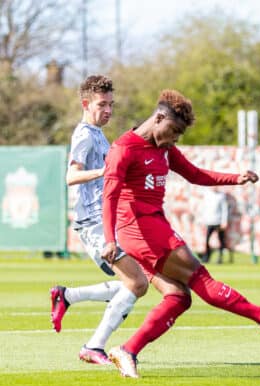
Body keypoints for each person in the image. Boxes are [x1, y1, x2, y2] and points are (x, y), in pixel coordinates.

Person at [101, 89, 260, 378]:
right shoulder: (124, 149)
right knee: (199, 277)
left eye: (178, 135)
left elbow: (195, 174)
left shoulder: (164, 149)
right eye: (173, 131)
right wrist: (109, 239)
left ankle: (128, 350)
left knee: (178, 297)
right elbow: (109, 195)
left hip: (151, 227)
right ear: (158, 118)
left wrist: (236, 178)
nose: (174, 139)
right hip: (139, 229)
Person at [50, 75, 190, 366]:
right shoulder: (85, 135)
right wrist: (104, 172)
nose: (108, 110)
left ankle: (67, 297)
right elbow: (70, 176)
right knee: (137, 283)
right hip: (92, 221)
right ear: (86, 104)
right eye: (102, 104)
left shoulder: (99, 134)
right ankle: (93, 345)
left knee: (137, 282)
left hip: (107, 220)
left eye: (111, 104)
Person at [201, 188, 229, 264]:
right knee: (207, 240)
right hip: (209, 221)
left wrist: (224, 221)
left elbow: (224, 209)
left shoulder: (221, 195)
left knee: (221, 240)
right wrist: (203, 220)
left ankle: (220, 258)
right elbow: (204, 208)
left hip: (218, 221)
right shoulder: (207, 194)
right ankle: (207, 257)